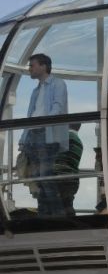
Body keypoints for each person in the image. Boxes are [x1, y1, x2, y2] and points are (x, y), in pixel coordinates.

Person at [19, 53, 68, 217]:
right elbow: (30, 114)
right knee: (37, 177)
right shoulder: (36, 90)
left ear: (43, 66)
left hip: (46, 134)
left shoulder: (58, 84)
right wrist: (24, 138)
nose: (30, 69)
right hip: (33, 134)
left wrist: (45, 124)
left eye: (32, 65)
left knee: (45, 176)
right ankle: (44, 214)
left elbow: (58, 107)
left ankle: (57, 215)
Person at [54, 123, 83, 217]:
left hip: (61, 177)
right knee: (67, 205)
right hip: (72, 179)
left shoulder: (67, 137)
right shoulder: (78, 140)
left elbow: (58, 159)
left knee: (57, 207)